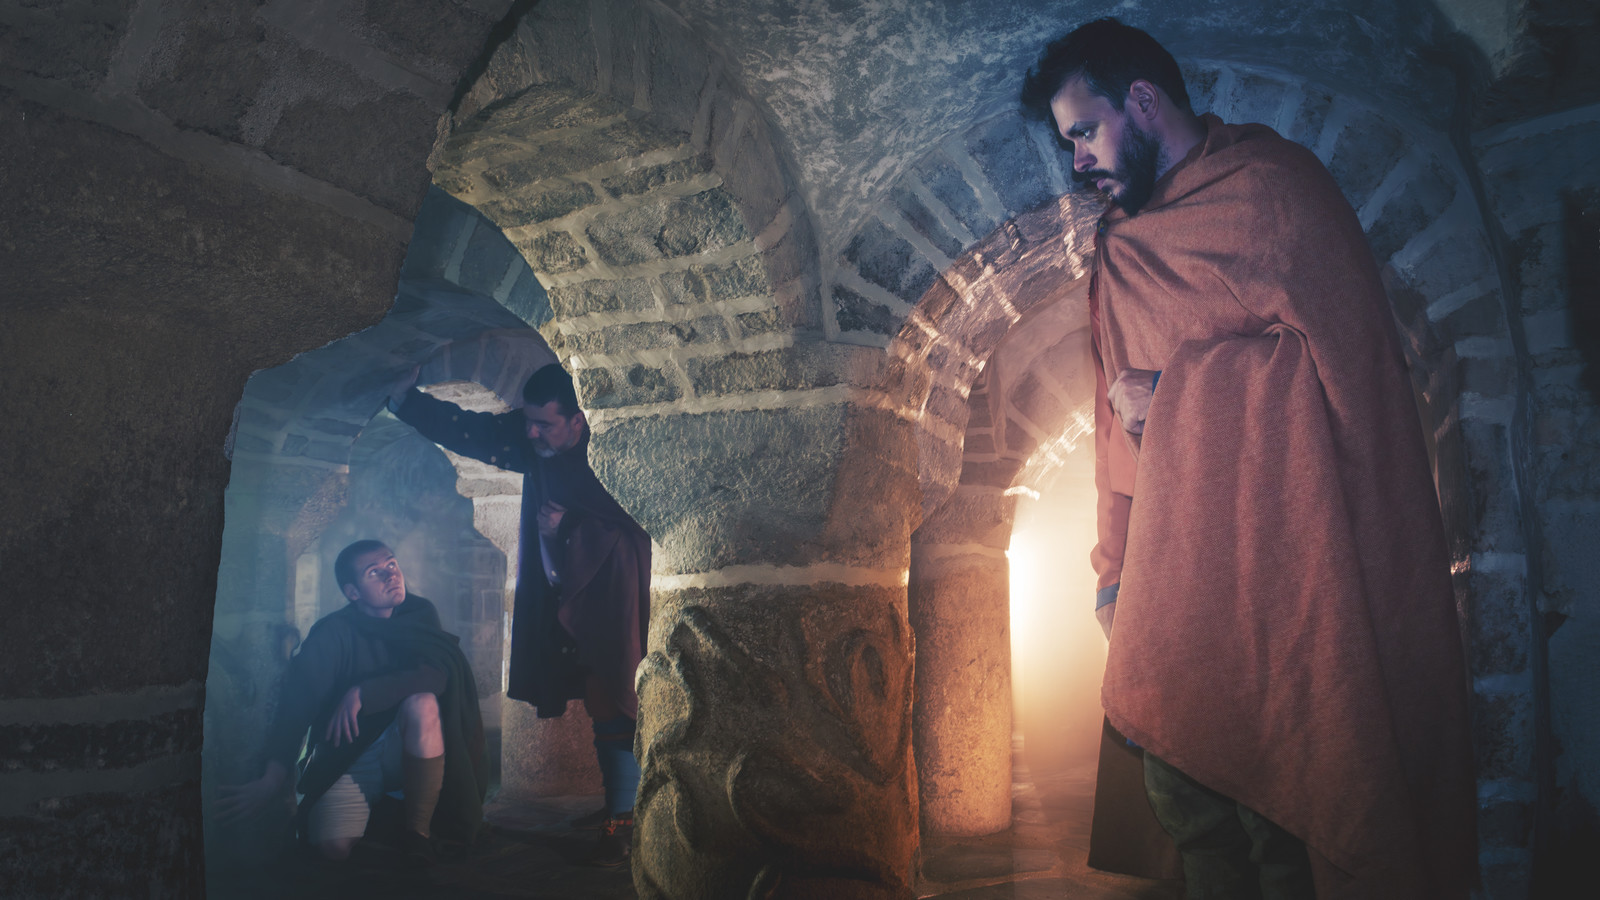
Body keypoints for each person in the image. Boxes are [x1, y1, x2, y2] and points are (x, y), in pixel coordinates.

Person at [1020, 18, 1476, 900]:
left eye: (1085, 132)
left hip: (1292, 561)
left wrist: (1177, 396)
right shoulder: (1119, 246)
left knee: (1288, 806)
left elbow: (1349, 375)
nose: (1077, 161)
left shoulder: (1277, 193)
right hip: (1172, 562)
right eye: (1069, 141)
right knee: (1184, 796)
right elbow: (1115, 420)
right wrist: (1113, 570)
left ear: (1142, 100)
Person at [390, 363, 650, 866]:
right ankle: (619, 808)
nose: (530, 433)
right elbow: (477, 432)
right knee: (599, 700)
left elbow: (635, 522)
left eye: (544, 424)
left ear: (577, 421)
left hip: (618, 596)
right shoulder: (535, 440)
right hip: (562, 595)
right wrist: (407, 400)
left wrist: (568, 525)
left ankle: (624, 820)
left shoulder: (618, 450)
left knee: (618, 695)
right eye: (528, 422)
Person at [217, 541, 487, 865]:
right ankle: (385, 812)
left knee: (423, 703)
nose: (391, 576)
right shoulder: (333, 633)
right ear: (353, 592)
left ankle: (418, 834)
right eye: (374, 573)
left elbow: (435, 674)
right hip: (351, 753)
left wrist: (362, 693)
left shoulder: (419, 613)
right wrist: (272, 780)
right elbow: (296, 706)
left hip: (404, 745)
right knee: (332, 848)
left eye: (391, 565)